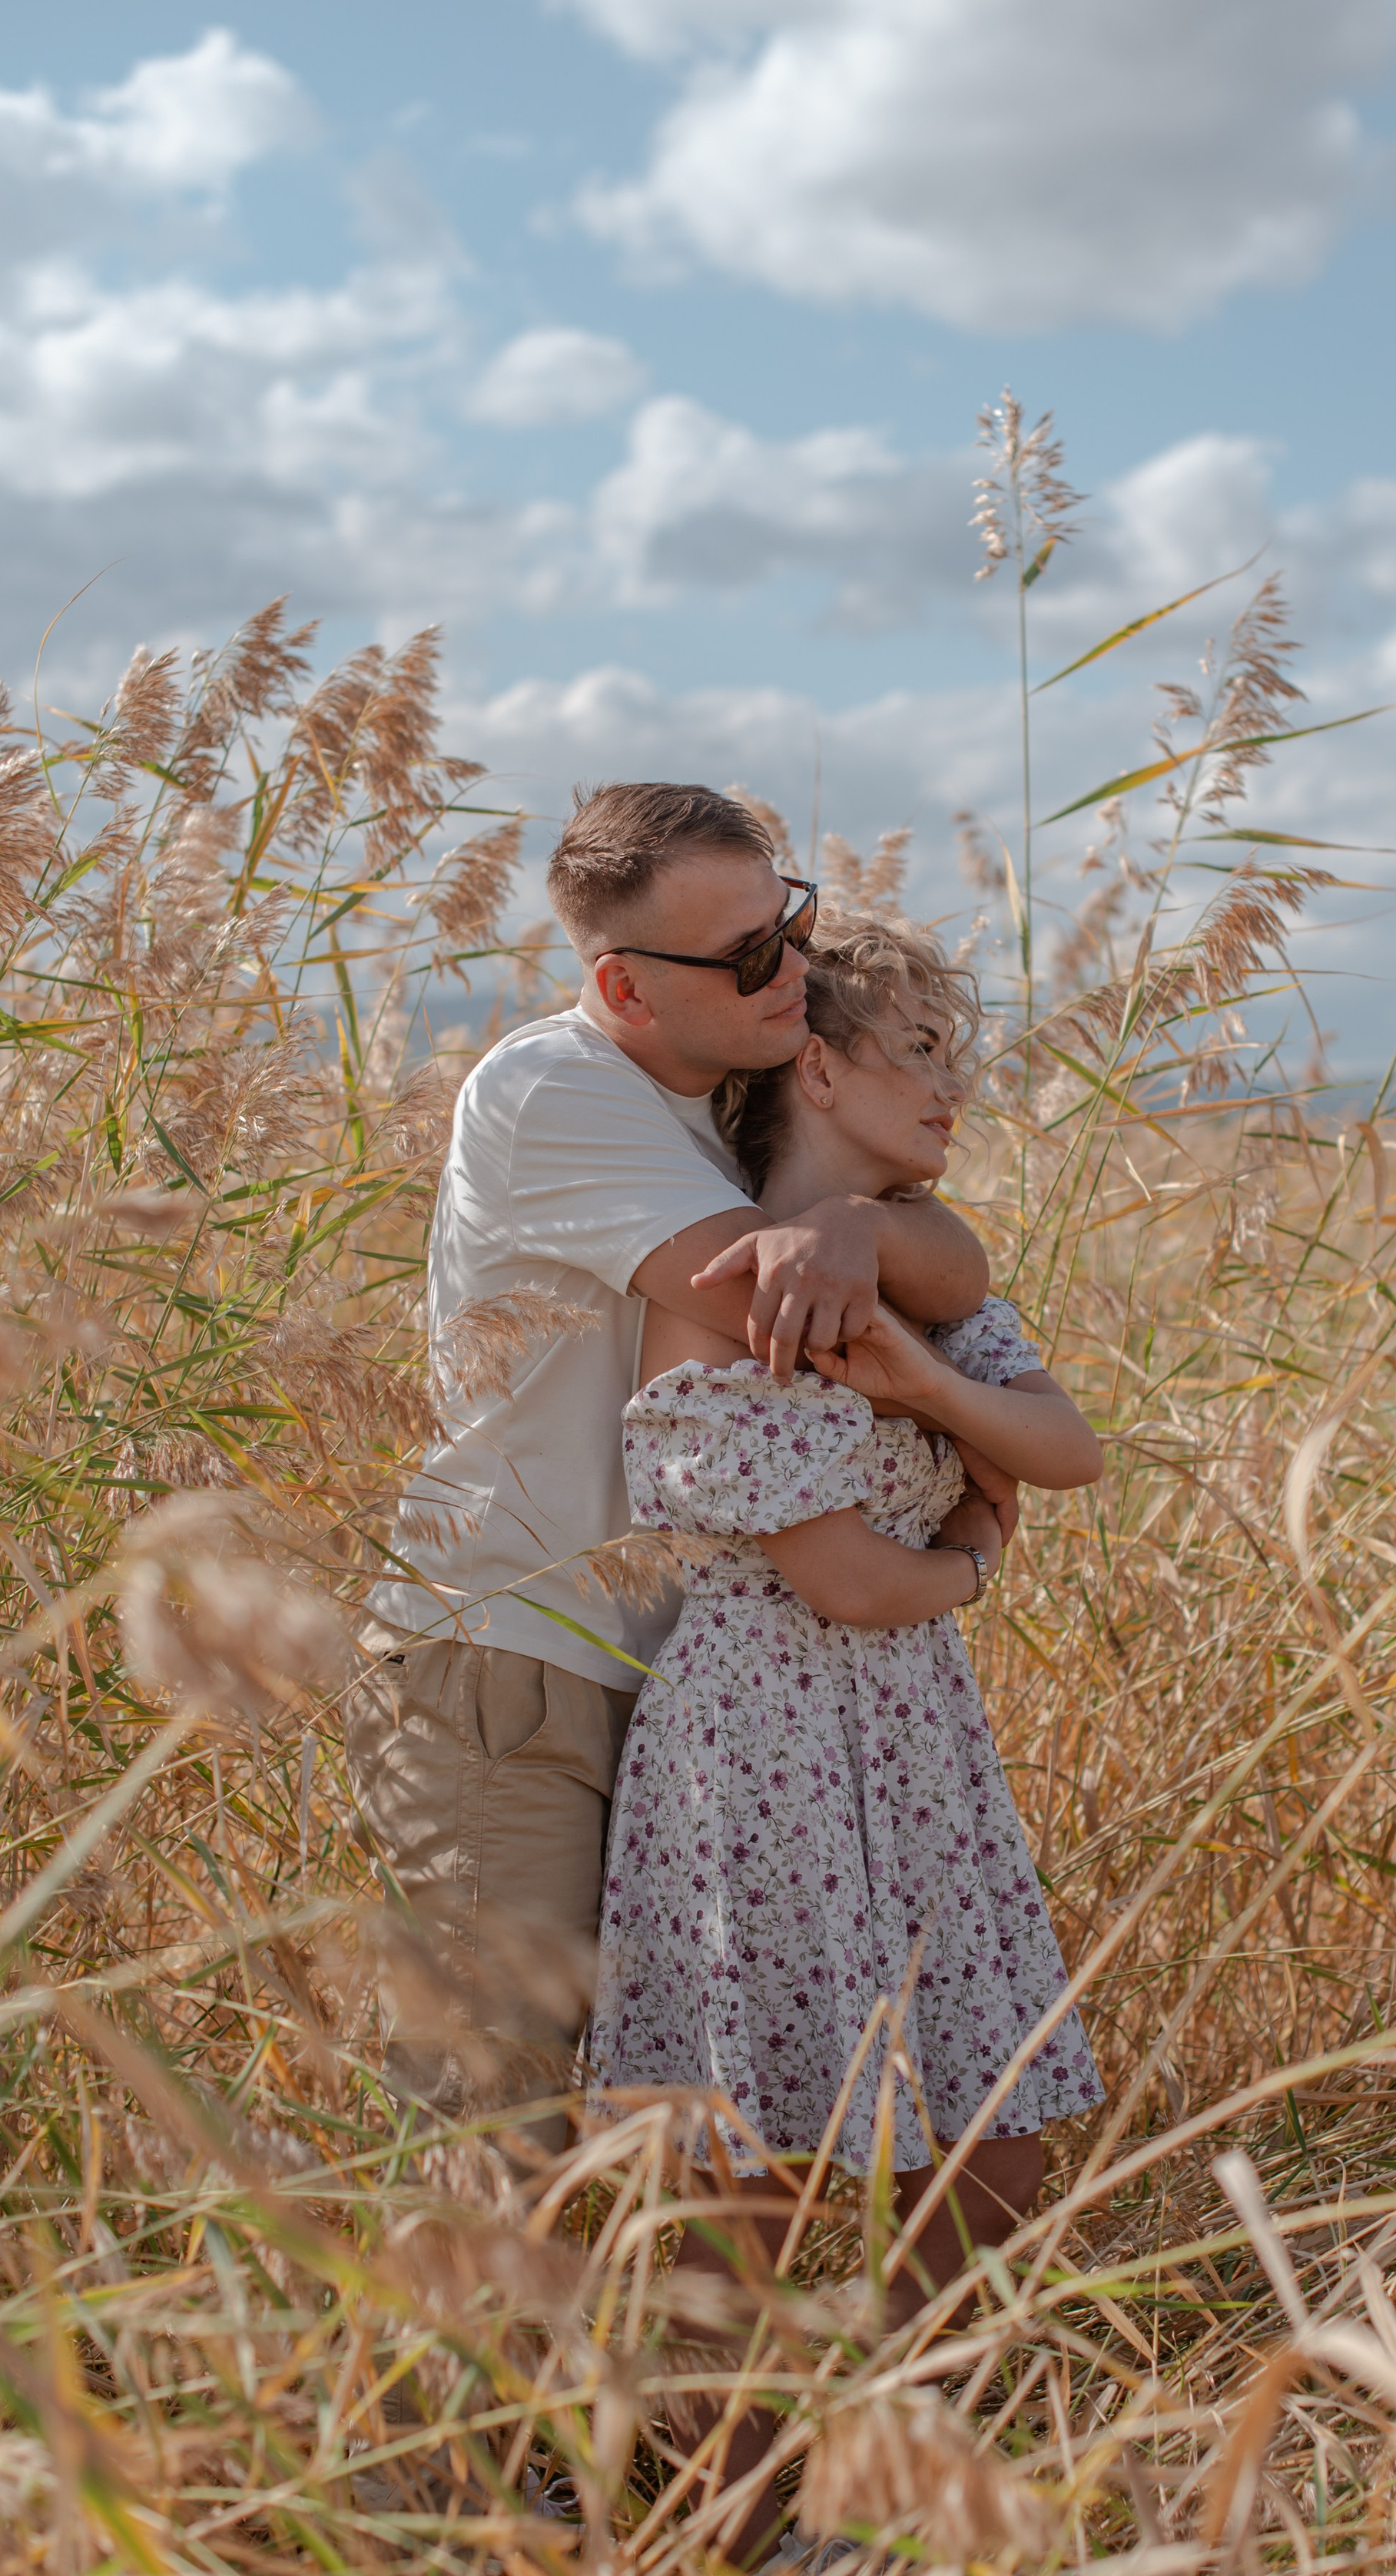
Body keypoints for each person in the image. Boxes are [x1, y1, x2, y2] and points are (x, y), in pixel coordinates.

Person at [343, 787, 992, 2131]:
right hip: (515, 1665)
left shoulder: (739, 1100)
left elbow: (961, 1267)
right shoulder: (554, 1087)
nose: (795, 975)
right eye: (749, 957)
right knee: (493, 2111)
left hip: (682, 1682)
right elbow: (772, 1297)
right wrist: (861, 1252)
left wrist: (866, 1230)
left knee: (677, 2123)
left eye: (791, 927)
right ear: (624, 987)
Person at [586, 910, 1105, 2563]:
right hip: (761, 1737)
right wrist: (971, 1549)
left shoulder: (911, 1273)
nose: (959, 1088)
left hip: (915, 1746)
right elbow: (848, 1575)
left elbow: (1064, 1443)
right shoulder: (722, 1290)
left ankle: (861, 2453)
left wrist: (924, 1386)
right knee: (752, 2157)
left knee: (997, 2142)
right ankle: (721, 2525)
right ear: (815, 1064)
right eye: (926, 1056)